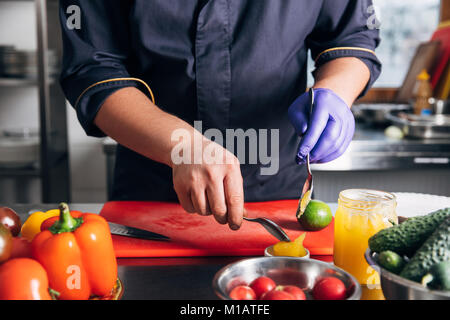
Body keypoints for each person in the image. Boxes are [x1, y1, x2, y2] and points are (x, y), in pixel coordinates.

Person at [59, 0, 381, 230]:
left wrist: (335, 92)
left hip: (276, 186)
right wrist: (181, 145)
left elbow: (351, 38)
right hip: (154, 185)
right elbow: (93, 69)